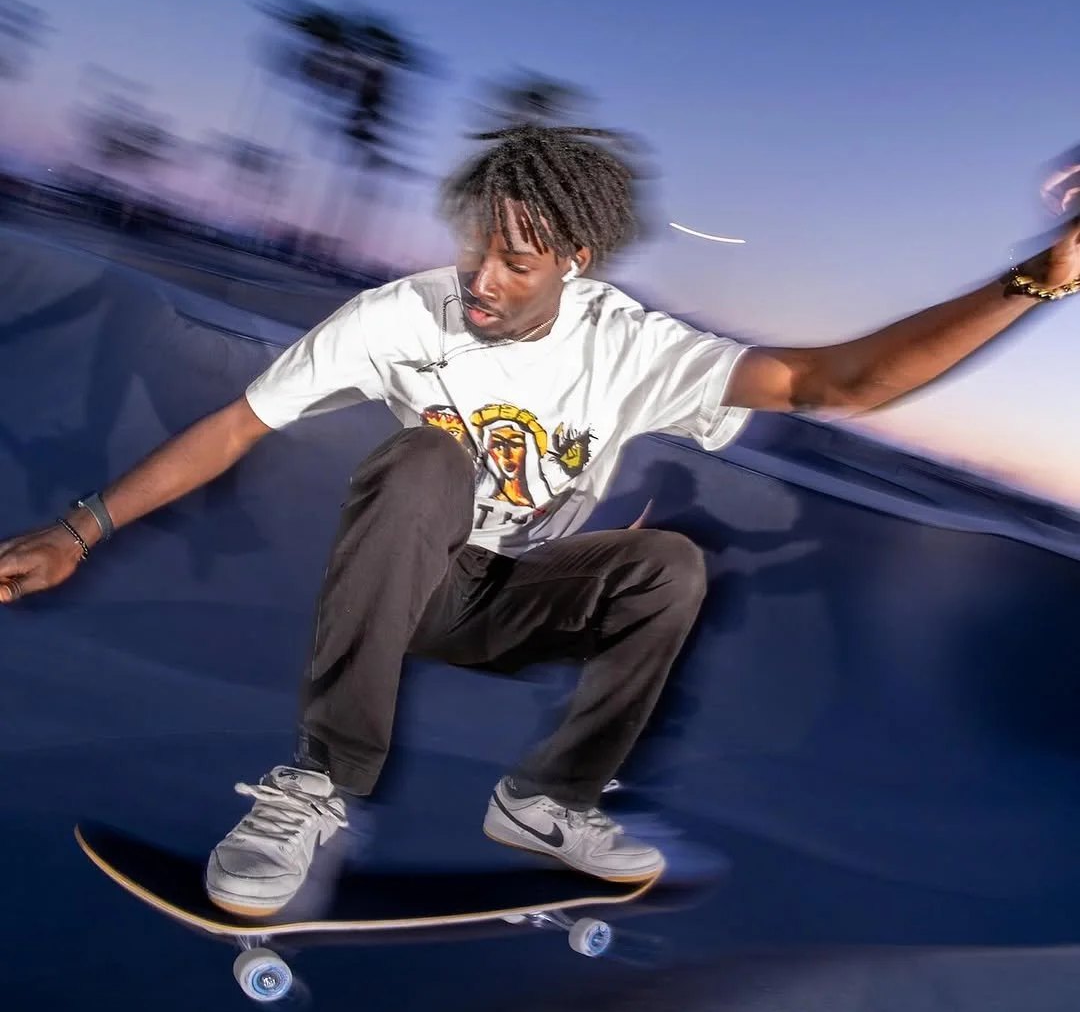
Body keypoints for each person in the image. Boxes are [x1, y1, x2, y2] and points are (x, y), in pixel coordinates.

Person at [2, 126, 1078, 917]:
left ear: (577, 260)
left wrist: (1036, 280)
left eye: (517, 263)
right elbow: (238, 426)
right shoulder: (397, 317)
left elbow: (832, 382)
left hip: (508, 599)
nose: (482, 281)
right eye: (477, 251)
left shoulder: (630, 344)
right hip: (399, 577)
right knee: (427, 455)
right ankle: (317, 787)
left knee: (667, 564)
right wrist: (80, 528)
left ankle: (549, 799)